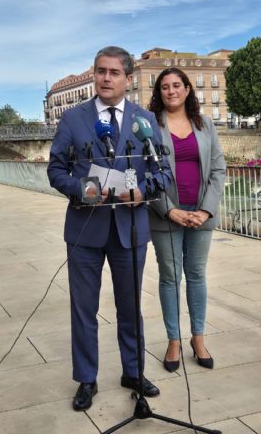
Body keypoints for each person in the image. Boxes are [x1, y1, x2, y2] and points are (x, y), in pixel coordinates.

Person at [47, 46, 171, 411]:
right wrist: (82, 190)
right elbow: (55, 170)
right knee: (83, 308)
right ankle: (86, 379)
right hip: (85, 230)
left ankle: (133, 372)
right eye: (101, 71)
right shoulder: (72, 119)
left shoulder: (145, 120)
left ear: (128, 79)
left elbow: (162, 173)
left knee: (130, 308)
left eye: (114, 72)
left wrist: (142, 191)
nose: (105, 78)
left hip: (130, 229)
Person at [147, 67, 226, 372]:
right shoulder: (151, 126)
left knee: (196, 276)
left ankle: (198, 337)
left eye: (176, 85)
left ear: (188, 89)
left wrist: (205, 210)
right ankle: (173, 340)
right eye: (165, 87)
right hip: (165, 215)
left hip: (200, 214)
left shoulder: (205, 124)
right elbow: (145, 174)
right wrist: (169, 210)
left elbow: (218, 169)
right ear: (159, 93)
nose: (171, 91)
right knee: (170, 278)